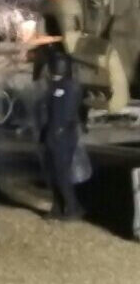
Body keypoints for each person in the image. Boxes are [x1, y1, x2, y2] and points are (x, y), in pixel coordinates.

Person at [38, 50, 85, 220]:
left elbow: (64, 114)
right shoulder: (55, 86)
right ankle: (57, 207)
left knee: (61, 173)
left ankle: (72, 207)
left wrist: (55, 132)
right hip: (53, 134)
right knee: (52, 174)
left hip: (61, 136)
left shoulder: (69, 87)